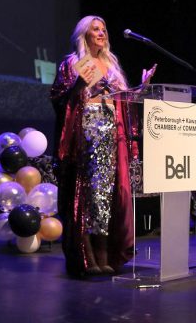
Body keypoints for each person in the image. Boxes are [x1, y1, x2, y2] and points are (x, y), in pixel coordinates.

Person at [51, 15, 156, 277]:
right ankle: (88, 259)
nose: (101, 33)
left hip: (112, 133)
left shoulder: (111, 64)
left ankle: (104, 255)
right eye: (95, 29)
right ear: (84, 34)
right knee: (88, 196)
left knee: (106, 197)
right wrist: (78, 84)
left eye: (104, 29)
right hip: (88, 130)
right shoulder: (73, 63)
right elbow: (59, 98)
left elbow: (122, 100)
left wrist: (142, 88)